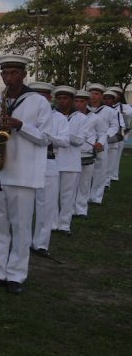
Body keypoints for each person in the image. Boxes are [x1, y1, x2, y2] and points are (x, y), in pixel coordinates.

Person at [0, 55, 51, 294]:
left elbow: (46, 138)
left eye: (13, 73)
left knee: (21, 228)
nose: (8, 78)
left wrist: (20, 125)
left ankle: (16, 275)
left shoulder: (38, 102)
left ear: (24, 74)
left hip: (24, 174)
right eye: (5, 73)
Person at [28, 82, 69, 256]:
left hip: (48, 161)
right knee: (24, 205)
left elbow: (65, 141)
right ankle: (23, 241)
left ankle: (41, 244)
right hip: (26, 161)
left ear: (50, 98)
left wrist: (46, 137)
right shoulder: (25, 115)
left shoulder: (59, 118)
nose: (39, 100)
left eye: (43, 97)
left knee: (46, 205)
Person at [52, 86, 87, 236]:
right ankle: (52, 223)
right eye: (59, 98)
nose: (62, 101)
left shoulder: (82, 118)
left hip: (71, 162)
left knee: (68, 196)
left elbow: (80, 140)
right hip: (54, 160)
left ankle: (64, 225)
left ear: (72, 100)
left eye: (65, 98)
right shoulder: (51, 116)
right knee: (52, 195)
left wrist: (65, 136)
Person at [73, 90, 105, 218]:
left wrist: (100, 142)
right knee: (71, 184)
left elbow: (102, 133)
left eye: (81, 101)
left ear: (87, 102)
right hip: (72, 153)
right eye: (76, 101)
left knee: (85, 183)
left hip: (87, 153)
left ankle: (81, 209)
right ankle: (70, 208)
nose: (78, 104)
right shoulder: (71, 116)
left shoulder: (95, 118)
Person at [86, 83, 117, 205]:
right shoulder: (84, 109)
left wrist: (105, 137)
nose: (93, 96)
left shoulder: (109, 111)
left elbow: (114, 126)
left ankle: (96, 197)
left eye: (97, 94)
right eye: (91, 93)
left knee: (100, 170)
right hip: (86, 142)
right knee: (86, 170)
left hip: (102, 142)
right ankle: (84, 195)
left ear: (101, 96)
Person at [103, 87, 127, 186]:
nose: (107, 101)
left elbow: (120, 126)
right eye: (105, 98)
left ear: (113, 100)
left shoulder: (116, 111)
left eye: (109, 99)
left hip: (113, 140)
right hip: (101, 140)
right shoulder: (99, 111)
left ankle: (107, 181)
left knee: (111, 162)